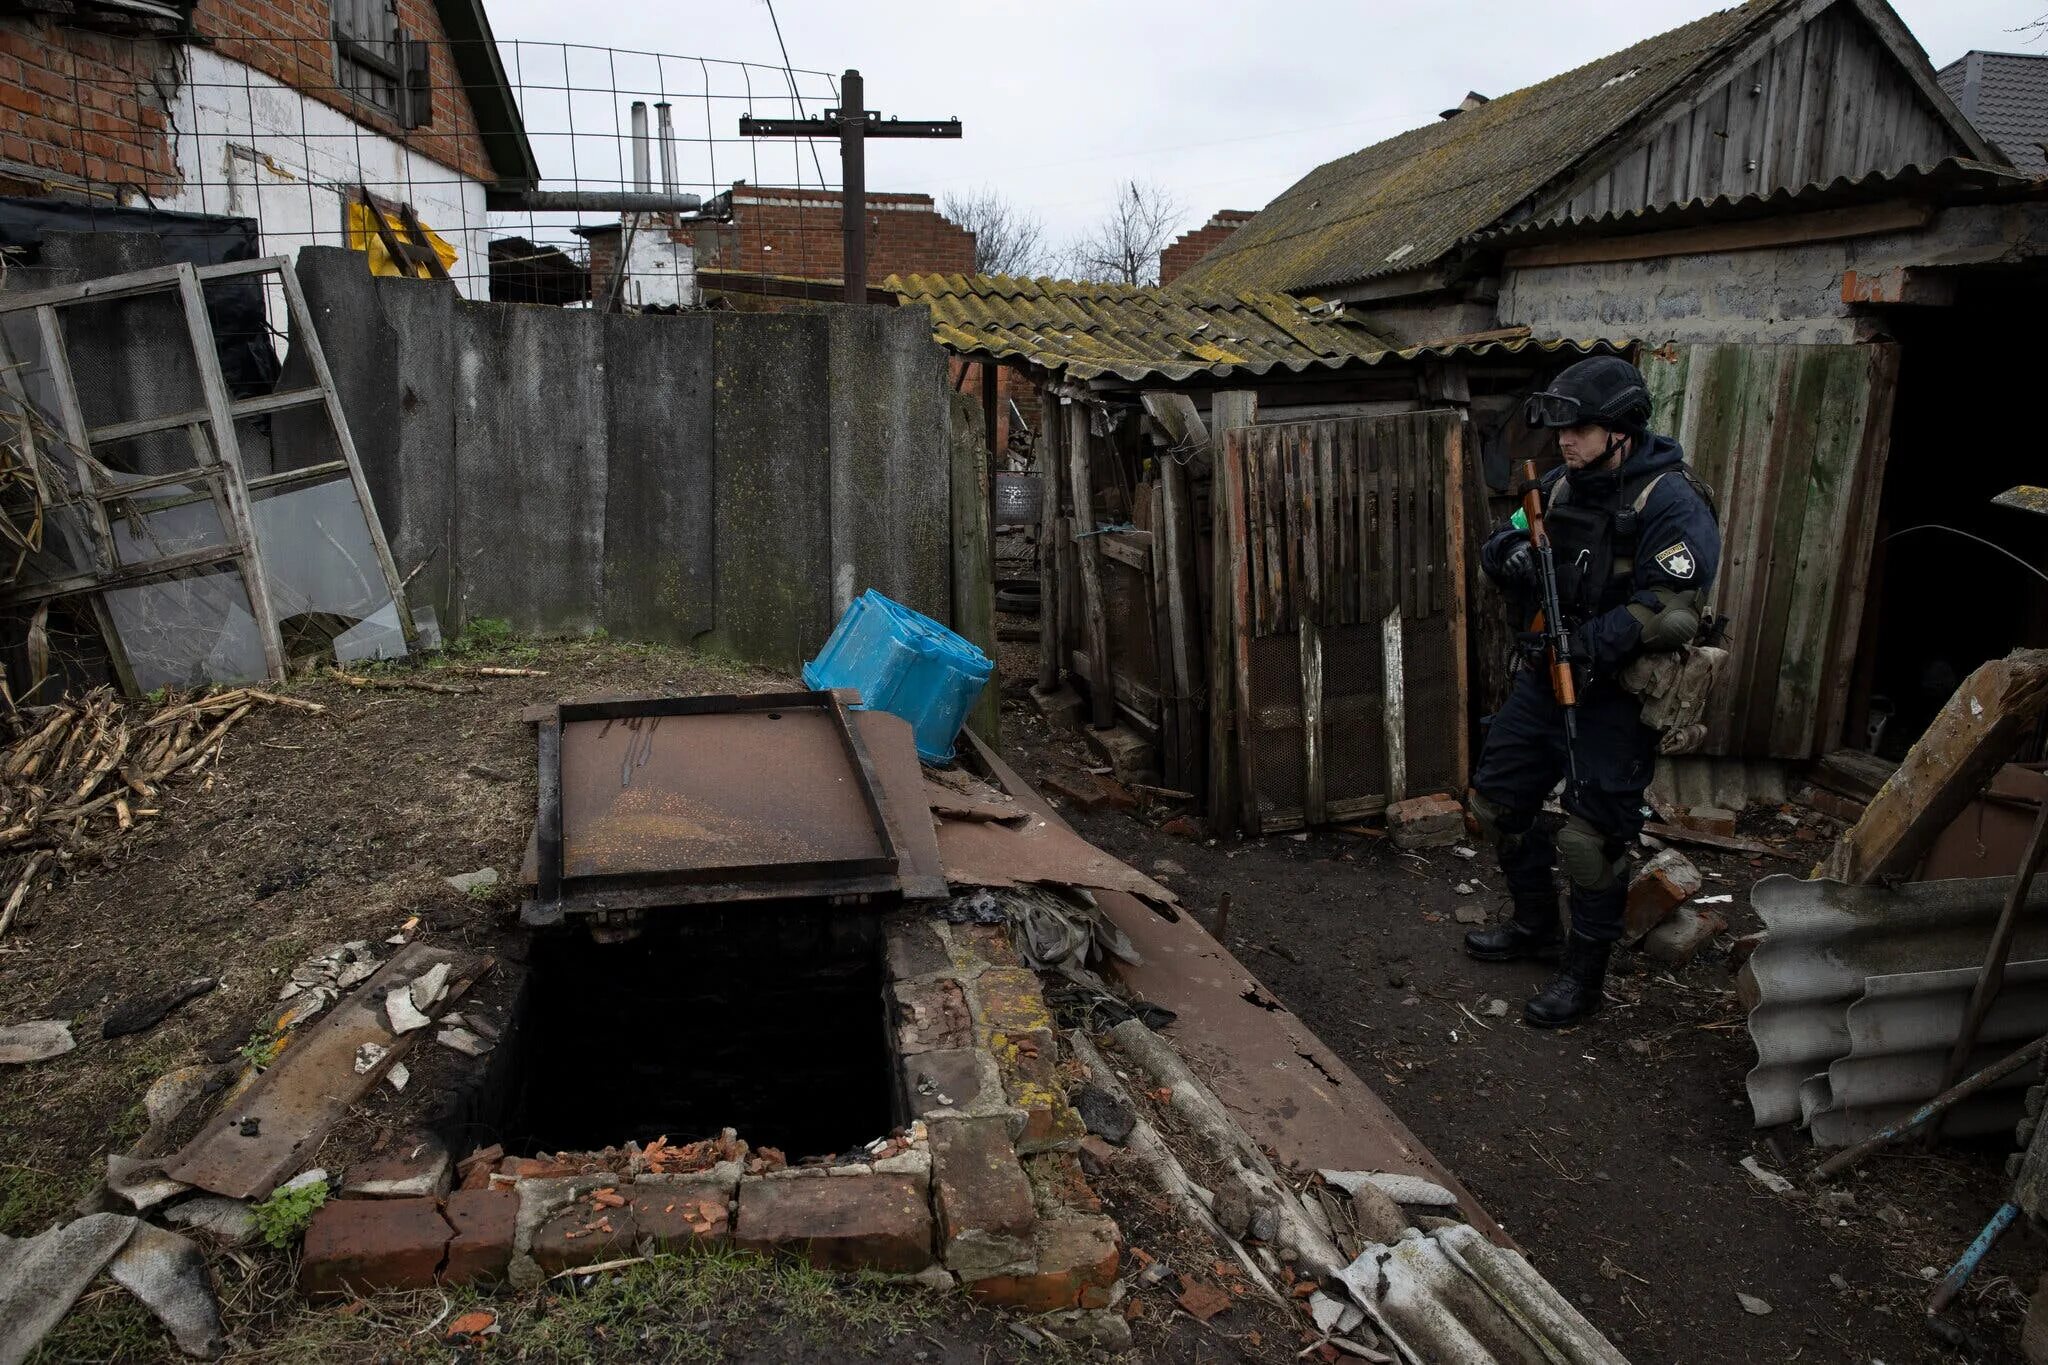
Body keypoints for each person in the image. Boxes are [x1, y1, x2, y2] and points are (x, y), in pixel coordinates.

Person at [1463, 355, 1721, 1028]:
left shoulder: (1669, 501)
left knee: (1591, 840)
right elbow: (1504, 539)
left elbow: (1671, 609)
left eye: (1579, 429)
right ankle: (1535, 926)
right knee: (1496, 802)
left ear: (1622, 431)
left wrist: (1592, 642)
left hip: (1612, 695)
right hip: (1545, 680)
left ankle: (1583, 977)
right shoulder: (1559, 487)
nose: (1565, 442)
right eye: (1562, 430)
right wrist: (1508, 557)